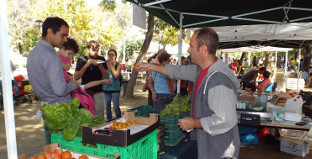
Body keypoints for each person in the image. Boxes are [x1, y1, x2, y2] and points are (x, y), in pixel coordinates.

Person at [135, 28, 240, 159]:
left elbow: (226, 119)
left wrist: (194, 123)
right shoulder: (202, 70)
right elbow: (177, 71)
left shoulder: (218, 79)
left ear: (203, 50)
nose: (188, 50)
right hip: (208, 143)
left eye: (191, 46)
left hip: (220, 150)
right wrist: (150, 66)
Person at [27, 17, 78, 145]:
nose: (65, 39)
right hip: (60, 112)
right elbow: (60, 90)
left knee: (51, 147)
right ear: (50, 32)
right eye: (63, 35)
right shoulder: (52, 57)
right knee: (63, 150)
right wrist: (72, 85)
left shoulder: (32, 54)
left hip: (46, 109)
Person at [74, 40, 109, 117]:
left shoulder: (102, 59)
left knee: (99, 118)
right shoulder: (82, 60)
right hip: (86, 94)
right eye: (93, 50)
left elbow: (107, 76)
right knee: (87, 117)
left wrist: (100, 66)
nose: (96, 52)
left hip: (98, 93)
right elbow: (76, 77)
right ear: (88, 49)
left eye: (97, 50)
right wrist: (86, 65)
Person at [103, 49, 122, 121]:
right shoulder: (104, 64)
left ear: (115, 56)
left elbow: (116, 75)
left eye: (112, 54)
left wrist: (111, 66)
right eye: (109, 54)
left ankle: (119, 119)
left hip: (115, 89)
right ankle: (109, 121)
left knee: (116, 107)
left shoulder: (118, 65)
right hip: (106, 89)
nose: (110, 56)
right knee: (107, 107)